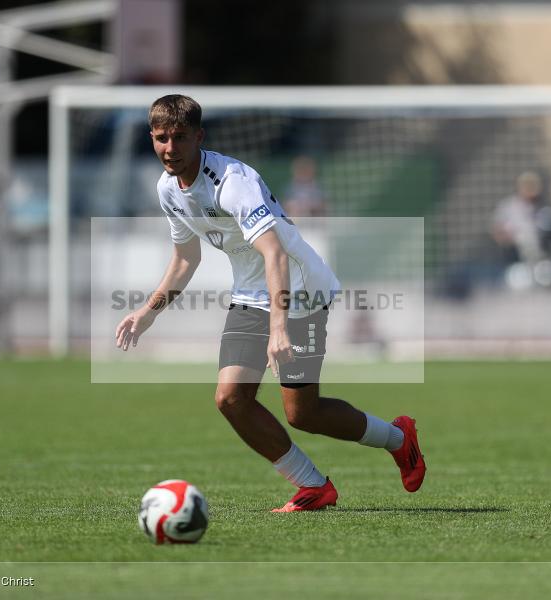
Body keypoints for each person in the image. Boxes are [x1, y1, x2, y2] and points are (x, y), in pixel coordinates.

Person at [115, 95, 425, 512]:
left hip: (300, 290)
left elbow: (275, 253)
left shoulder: (232, 181)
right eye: (161, 138)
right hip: (249, 294)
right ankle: (313, 486)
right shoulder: (168, 189)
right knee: (230, 399)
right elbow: (186, 259)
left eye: (179, 138)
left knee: (303, 413)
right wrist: (146, 312)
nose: (169, 149)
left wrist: (279, 327)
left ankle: (399, 439)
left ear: (198, 137)